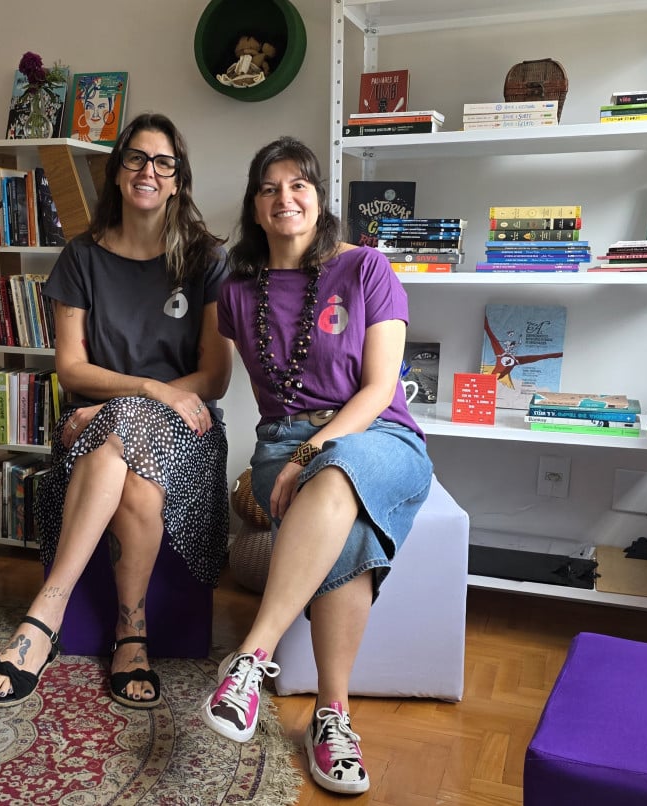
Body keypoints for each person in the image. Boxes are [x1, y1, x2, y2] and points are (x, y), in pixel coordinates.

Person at [0, 113, 232, 709]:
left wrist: (132, 404)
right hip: (95, 437)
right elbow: (71, 368)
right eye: (136, 159)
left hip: (185, 434)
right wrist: (147, 391)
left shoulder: (206, 258)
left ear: (177, 180)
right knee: (136, 485)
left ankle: (43, 620)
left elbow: (215, 376)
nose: (148, 171)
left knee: (122, 436)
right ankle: (130, 636)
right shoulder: (81, 258)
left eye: (163, 162)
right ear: (117, 174)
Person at [202, 137, 432, 795]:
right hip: (280, 448)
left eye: (298, 184)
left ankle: (251, 658)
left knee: (337, 473)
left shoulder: (365, 269)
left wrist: (312, 450)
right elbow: (214, 376)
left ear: (319, 197)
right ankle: (333, 719)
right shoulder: (236, 291)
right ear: (254, 207)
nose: (285, 198)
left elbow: (379, 388)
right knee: (348, 527)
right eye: (269, 188)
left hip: (379, 437)